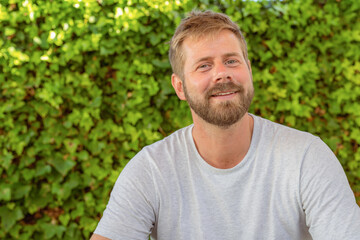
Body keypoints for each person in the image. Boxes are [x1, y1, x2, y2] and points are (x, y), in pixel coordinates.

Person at [91, 10, 360, 240]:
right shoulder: (151, 169)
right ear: (180, 87)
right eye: (204, 66)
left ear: (249, 70)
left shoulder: (306, 157)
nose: (222, 73)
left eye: (231, 60)